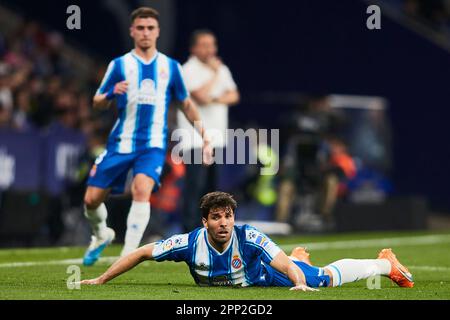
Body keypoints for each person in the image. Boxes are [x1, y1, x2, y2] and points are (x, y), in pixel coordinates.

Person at [82, 7, 213, 266]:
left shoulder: (170, 67)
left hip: (152, 145)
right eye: (140, 28)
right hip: (120, 143)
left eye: (150, 28)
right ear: (132, 31)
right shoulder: (119, 65)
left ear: (157, 32)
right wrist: (110, 94)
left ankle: (128, 253)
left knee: (141, 189)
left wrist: (204, 135)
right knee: (91, 200)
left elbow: (186, 104)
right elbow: (97, 101)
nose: (145, 33)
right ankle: (102, 235)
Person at [80, 191, 414, 290]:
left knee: (322, 279)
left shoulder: (249, 236)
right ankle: (303, 260)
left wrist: (298, 281)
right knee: (297, 263)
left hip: (270, 277)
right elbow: (141, 252)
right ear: (205, 221)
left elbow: (280, 263)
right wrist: (101, 278)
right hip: (264, 273)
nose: (223, 223)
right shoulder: (189, 243)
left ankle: (385, 263)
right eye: (216, 217)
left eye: (228, 216)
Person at [176, 30, 240, 233]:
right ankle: (189, 231)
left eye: (212, 44)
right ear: (193, 48)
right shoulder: (188, 70)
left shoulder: (222, 68)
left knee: (213, 189)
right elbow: (201, 96)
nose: (209, 49)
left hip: (216, 138)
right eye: (204, 45)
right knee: (194, 187)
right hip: (193, 138)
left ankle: (210, 231)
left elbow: (234, 96)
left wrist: (215, 98)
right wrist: (214, 75)